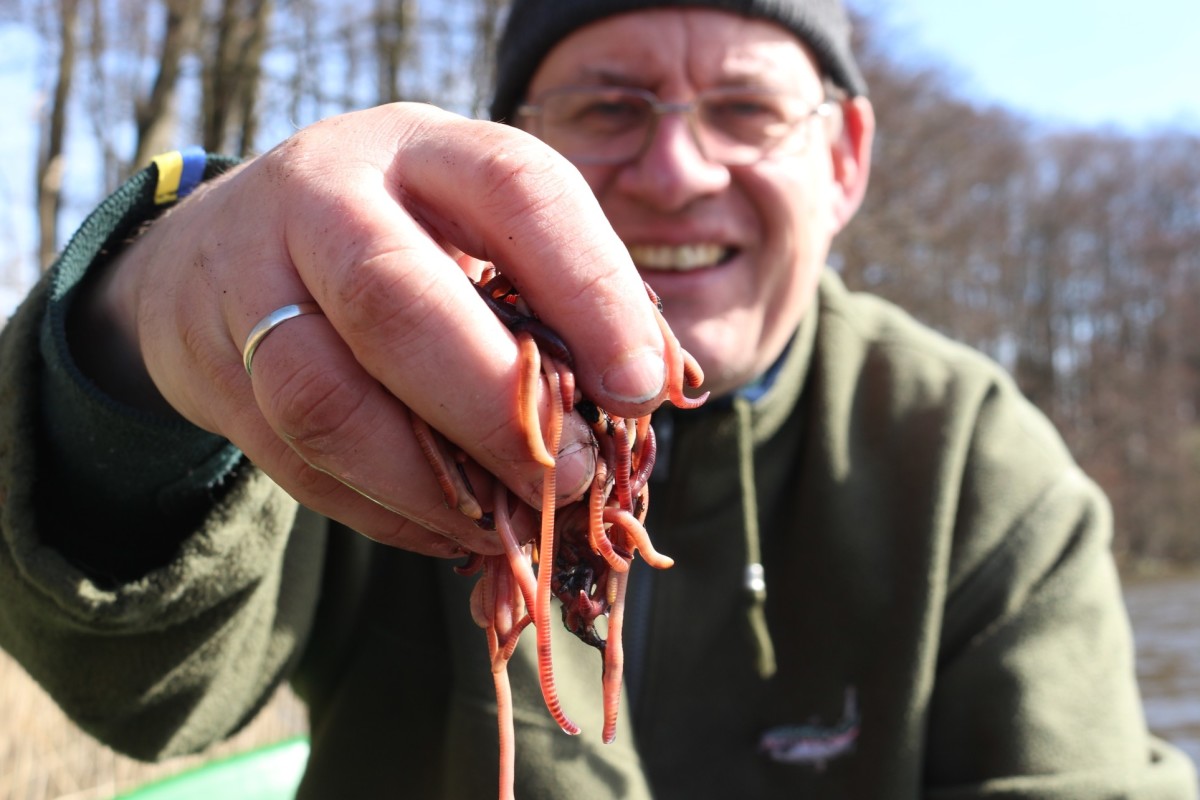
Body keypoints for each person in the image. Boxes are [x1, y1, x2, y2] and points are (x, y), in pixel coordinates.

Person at [0, 0, 1195, 796]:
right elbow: (143, 683)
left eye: (744, 111)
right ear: (517, 143)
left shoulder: (975, 456)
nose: (676, 172)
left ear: (842, 161)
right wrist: (136, 331)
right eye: (609, 107)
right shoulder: (389, 364)